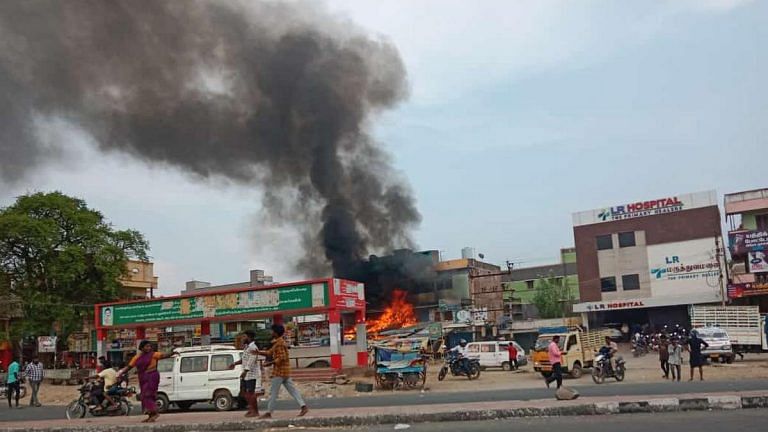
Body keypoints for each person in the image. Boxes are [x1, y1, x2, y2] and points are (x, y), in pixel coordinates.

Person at [118, 341, 177, 423]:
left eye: (149, 346)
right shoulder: (137, 357)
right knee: (144, 396)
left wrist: (171, 352)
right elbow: (129, 367)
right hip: (143, 378)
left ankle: (155, 412)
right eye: (147, 346)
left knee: (148, 394)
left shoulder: (153, 354)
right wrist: (120, 373)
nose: (149, 348)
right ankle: (151, 415)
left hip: (152, 376)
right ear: (142, 348)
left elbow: (163, 355)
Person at [258, 324, 308, 419]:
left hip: (279, 372)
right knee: (293, 391)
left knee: (273, 393)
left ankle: (269, 412)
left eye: (272, 331)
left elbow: (282, 358)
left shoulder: (279, 344)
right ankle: (303, 407)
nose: (271, 333)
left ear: (276, 333)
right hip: (285, 371)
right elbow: (269, 352)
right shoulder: (278, 342)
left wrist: (269, 363)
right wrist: (258, 352)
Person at [229, 330, 263, 417]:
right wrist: (234, 363)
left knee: (250, 393)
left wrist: (245, 372)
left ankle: (255, 411)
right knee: (244, 393)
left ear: (249, 337)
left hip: (251, 374)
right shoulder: (247, 347)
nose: (243, 338)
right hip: (246, 373)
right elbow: (244, 360)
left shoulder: (253, 347)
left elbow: (251, 361)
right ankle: (251, 409)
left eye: (245, 337)